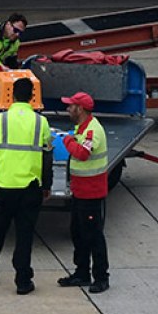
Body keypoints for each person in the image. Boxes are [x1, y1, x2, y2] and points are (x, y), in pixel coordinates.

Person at [0, 77, 53, 295]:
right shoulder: (41, 123)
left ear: (11, 95)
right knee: (25, 235)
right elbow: (47, 157)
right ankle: (23, 280)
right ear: (32, 97)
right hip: (30, 187)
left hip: (4, 186)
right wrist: (47, 184)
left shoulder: (0, 121)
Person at [56, 91, 110, 293]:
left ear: (80, 109)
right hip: (80, 192)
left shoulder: (92, 131)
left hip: (91, 194)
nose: (68, 109)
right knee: (78, 233)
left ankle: (101, 277)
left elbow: (82, 153)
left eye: (71, 106)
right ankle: (82, 273)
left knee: (94, 235)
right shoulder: (82, 128)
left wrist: (67, 140)